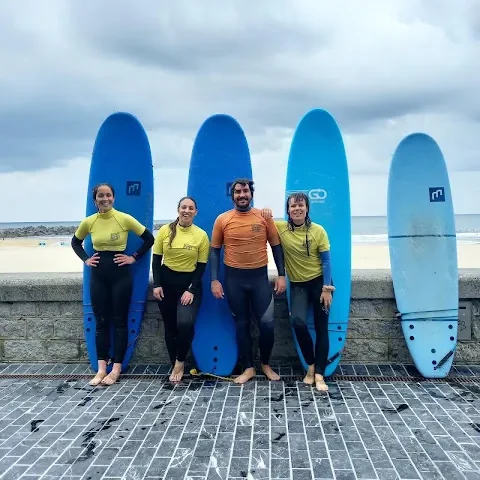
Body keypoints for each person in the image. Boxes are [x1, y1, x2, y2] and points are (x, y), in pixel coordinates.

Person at [71, 183, 154, 386]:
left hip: (121, 277)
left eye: (108, 195)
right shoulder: (89, 222)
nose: (105, 198)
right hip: (98, 276)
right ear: (95, 200)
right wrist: (86, 259)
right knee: (101, 322)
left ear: (113, 198)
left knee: (119, 322)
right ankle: (101, 369)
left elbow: (149, 239)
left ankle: (116, 368)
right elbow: (75, 242)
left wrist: (133, 257)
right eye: (101, 195)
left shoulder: (123, 218)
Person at [210, 178, 287, 384]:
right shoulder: (222, 219)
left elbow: (276, 246)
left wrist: (281, 274)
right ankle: (248, 368)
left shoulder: (263, 217)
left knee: (267, 325)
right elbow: (215, 252)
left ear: (251, 194)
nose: (242, 195)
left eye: (245, 191)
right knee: (241, 325)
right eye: (238, 192)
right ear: (232, 195)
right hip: (234, 280)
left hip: (259, 279)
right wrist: (215, 280)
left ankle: (266, 364)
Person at [261, 192, 334, 392]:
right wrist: (266, 212)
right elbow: (263, 221)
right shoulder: (282, 229)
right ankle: (310, 366)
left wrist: (327, 288)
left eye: (301, 205)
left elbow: (326, 261)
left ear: (307, 208)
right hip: (299, 285)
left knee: (321, 327)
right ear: (288, 210)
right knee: (298, 322)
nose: (297, 209)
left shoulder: (318, 231)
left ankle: (319, 374)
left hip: (321, 284)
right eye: (293, 206)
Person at [152, 196, 209, 382]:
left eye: (190, 208)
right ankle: (174, 363)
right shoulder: (164, 231)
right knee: (170, 327)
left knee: (185, 323)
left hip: (189, 284)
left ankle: (180, 361)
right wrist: (157, 284)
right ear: (178, 210)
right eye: (183, 207)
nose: (187, 210)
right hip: (166, 283)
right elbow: (156, 260)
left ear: (195, 212)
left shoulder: (200, 235)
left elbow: (201, 267)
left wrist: (191, 289)